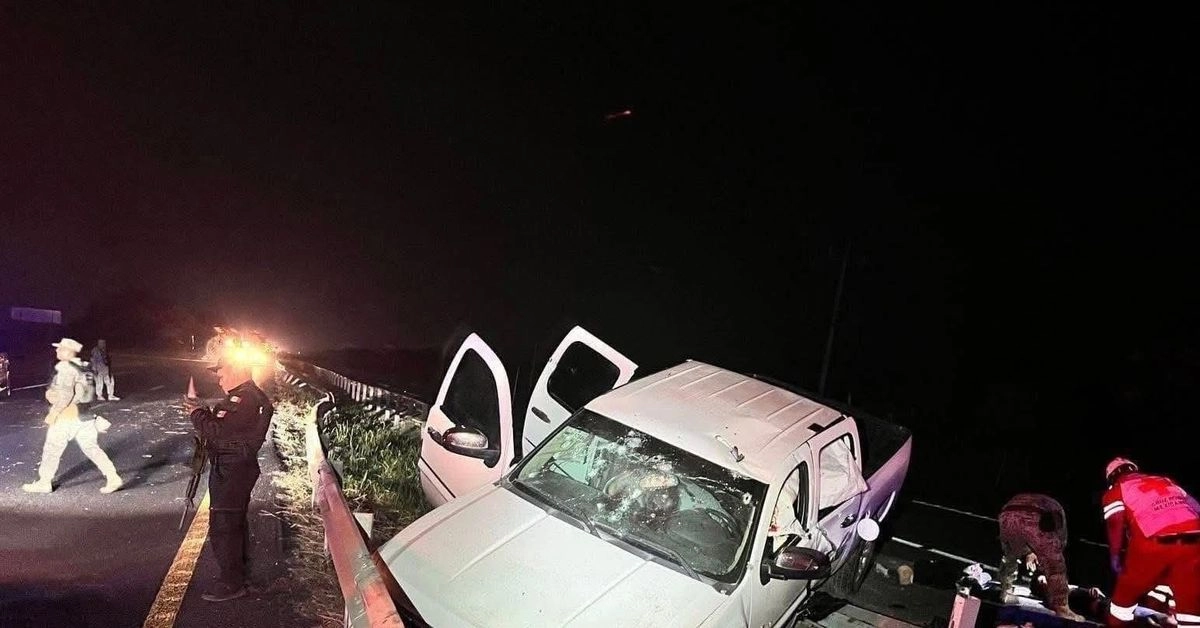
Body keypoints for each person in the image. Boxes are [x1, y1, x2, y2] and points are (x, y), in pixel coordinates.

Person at [185, 346, 274, 602]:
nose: (219, 378)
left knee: (224, 526)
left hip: (233, 469)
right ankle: (238, 576)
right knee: (232, 524)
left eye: (221, 373)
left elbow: (219, 431)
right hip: (233, 467)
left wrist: (196, 413)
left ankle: (231, 582)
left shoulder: (244, 398)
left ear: (235, 370)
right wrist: (202, 412)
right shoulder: (245, 396)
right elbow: (225, 426)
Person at [1102, 457, 1200, 628]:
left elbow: (1115, 523)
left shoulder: (1117, 489)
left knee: (1121, 606)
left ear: (1112, 478)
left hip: (1153, 541)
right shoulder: (1166, 481)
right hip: (1194, 542)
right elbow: (1196, 507)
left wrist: (1115, 557)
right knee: (1191, 614)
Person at [22, 338, 123, 494]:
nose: (57, 351)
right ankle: (113, 477)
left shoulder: (67, 369)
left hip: (67, 416)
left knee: (52, 448)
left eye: (60, 349)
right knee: (92, 448)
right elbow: (85, 392)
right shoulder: (84, 367)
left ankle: (44, 482)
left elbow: (66, 395)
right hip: (86, 416)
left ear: (68, 352)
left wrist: (54, 413)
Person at [997, 493, 1084, 621]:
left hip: (1007, 514)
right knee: (1055, 565)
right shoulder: (1057, 511)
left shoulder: (1047, 503)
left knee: (1010, 555)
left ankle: (1005, 589)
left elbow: (1023, 537)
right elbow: (1056, 549)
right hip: (1034, 517)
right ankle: (1062, 607)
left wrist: (1031, 552)